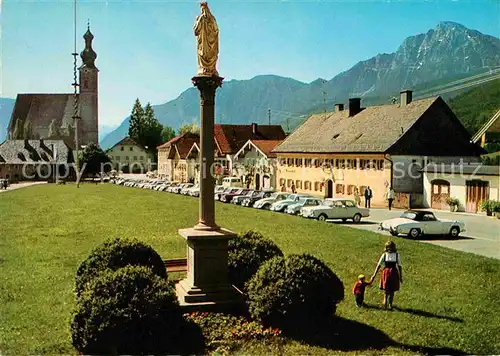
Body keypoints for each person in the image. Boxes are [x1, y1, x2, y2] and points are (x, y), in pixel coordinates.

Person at [371, 240, 403, 310]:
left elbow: (399, 266)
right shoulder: (385, 255)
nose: (389, 249)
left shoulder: (396, 255)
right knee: (387, 290)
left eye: (390, 247)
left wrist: (400, 277)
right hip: (387, 273)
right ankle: (385, 304)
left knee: (391, 290)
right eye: (388, 248)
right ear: (386, 248)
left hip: (392, 273)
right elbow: (379, 265)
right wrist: (374, 274)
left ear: (393, 247)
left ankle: (390, 304)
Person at [193, 2, 219, 76]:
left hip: (209, 43)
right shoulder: (201, 18)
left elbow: (216, 30)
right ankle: (205, 68)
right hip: (203, 42)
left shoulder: (210, 19)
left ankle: (209, 69)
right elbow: (196, 31)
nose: (204, 12)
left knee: (207, 54)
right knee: (203, 53)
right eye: (202, 10)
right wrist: (200, 20)